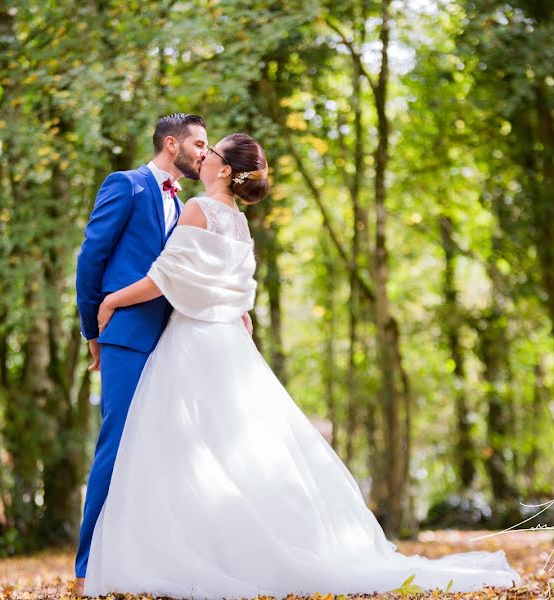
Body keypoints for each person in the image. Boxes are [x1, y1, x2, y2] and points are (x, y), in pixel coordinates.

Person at [83, 133, 521, 598]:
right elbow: (237, 293)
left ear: (225, 169)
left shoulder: (200, 209)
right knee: (233, 453)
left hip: (192, 343)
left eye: (210, 153)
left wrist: (111, 300)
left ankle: (194, 551)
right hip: (227, 344)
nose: (203, 157)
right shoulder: (239, 224)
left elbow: (162, 278)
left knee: (183, 449)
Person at [73, 113, 215, 596]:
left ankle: (148, 561)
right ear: (170, 144)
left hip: (174, 341)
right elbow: (92, 256)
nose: (204, 152)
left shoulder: (190, 206)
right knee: (116, 447)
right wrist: (92, 329)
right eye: (198, 143)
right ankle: (87, 568)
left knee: (164, 454)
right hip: (126, 338)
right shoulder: (127, 186)